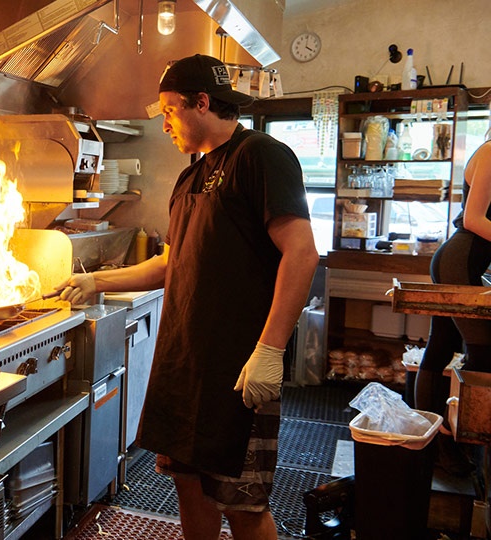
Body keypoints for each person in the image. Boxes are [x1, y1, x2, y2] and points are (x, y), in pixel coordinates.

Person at [56, 54, 318, 540]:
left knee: (243, 502)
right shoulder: (190, 177)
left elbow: (301, 254)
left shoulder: (261, 156)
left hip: (239, 366)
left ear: (202, 102)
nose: (166, 126)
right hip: (183, 365)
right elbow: (170, 263)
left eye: (171, 111)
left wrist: (270, 351)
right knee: (188, 488)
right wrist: (96, 282)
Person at [415, 126, 491, 473]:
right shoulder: (490, 152)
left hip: (462, 260)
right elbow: (474, 219)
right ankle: (447, 439)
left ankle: (433, 440)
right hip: (459, 260)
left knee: (442, 345)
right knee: (482, 353)